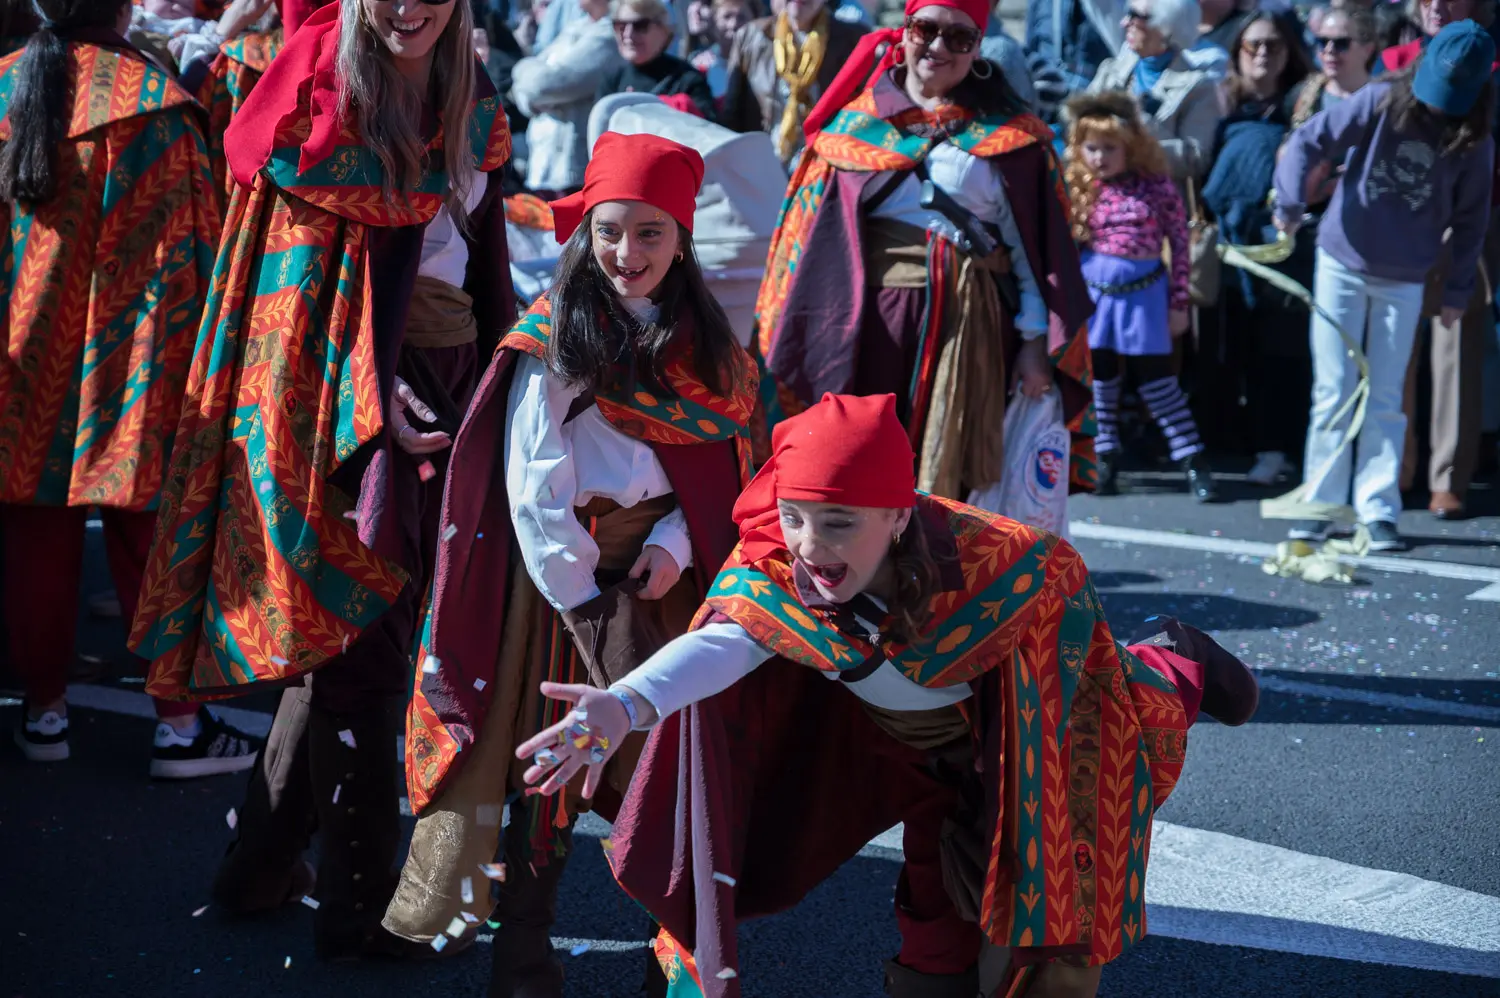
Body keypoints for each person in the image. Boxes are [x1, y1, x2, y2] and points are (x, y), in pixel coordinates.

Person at [514, 392, 1261, 998]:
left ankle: (1177, 659)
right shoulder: (776, 564)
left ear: (899, 516)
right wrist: (626, 703)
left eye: (839, 523)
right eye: (797, 517)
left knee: (1061, 885)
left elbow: (1077, 697)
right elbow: (726, 645)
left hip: (1021, 737)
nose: (810, 545)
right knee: (937, 916)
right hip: (905, 753)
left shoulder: (1013, 566)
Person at [128, 0, 515, 957]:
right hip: (343, 417)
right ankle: (360, 908)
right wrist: (379, 411)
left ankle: (259, 868)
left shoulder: (475, 107)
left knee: (352, 647)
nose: (408, 7)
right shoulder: (316, 111)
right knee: (366, 648)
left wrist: (501, 388)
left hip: (447, 390)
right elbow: (293, 304)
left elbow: (484, 271)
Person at [388, 133, 755, 997]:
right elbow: (531, 474)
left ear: (683, 239)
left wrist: (674, 548)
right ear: (585, 231)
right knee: (544, 759)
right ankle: (523, 949)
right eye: (611, 231)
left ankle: (682, 955)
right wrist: (578, 588)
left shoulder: (707, 344)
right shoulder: (555, 332)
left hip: (655, 575)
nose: (628, 255)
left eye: (652, 235)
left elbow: (711, 470)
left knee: (667, 763)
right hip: (558, 578)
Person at [0, 0, 256, 777]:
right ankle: (179, 726)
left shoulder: (6, 87)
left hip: (21, 354)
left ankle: (44, 715)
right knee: (147, 534)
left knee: (34, 531)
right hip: (130, 358)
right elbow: (193, 259)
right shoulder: (153, 102)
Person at [754, 0, 1098, 506]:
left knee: (955, 470)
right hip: (868, 323)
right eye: (926, 29)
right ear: (904, 31)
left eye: (959, 38)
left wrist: (1033, 345)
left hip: (974, 325)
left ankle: (935, 575)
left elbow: (1034, 256)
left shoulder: (1012, 137)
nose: (938, 47)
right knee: (862, 461)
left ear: (978, 49)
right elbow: (806, 240)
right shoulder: (854, 127)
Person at [1274, 21, 1495, 551]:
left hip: (1406, 278)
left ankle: (1377, 508)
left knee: (1387, 396)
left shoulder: (1474, 140)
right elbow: (1309, 140)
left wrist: (1458, 294)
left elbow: (1471, 223)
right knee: (1333, 391)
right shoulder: (1378, 100)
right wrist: (1288, 202)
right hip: (1342, 261)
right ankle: (1322, 503)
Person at [1065, 93, 1216, 501]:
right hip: (1095, 297)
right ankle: (1105, 458)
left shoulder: (1157, 187)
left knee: (1158, 383)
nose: (1099, 157)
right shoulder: (1080, 187)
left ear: (1131, 146)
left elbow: (1180, 245)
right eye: (1091, 147)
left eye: (1109, 148)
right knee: (1102, 382)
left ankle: (1192, 460)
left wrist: (1179, 302)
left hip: (1146, 297)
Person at [1383, 0, 1499, 521]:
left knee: (1456, 347)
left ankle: (1447, 479)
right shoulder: (1395, 61)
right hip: (1401, 216)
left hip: (1475, 216)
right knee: (1393, 346)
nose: (1435, 4)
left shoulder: (1491, 66)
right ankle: (1392, 471)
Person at [1195, 9, 1313, 477]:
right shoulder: (1219, 103)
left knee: (1278, 351)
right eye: (1253, 45)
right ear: (1237, 53)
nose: (1263, 54)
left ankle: (1277, 446)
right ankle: (1227, 440)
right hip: (1226, 244)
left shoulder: (1302, 104)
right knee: (1225, 346)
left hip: (1281, 245)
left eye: (1274, 45)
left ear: (1289, 53)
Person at [720, 0, 867, 168]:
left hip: (825, 169)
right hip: (763, 168)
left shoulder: (853, 40)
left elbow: (863, 116)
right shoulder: (751, 37)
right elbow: (732, 114)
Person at [1087, 0, 1221, 182]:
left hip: (1157, 200)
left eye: (1136, 17)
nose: (1125, 23)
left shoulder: (1199, 87)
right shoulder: (1111, 72)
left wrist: (1134, 149)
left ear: (1167, 27)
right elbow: (1080, 127)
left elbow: (1195, 159)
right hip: (1099, 192)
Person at [511, 0, 617, 194]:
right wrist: (529, 96)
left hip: (572, 166)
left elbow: (546, 84)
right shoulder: (576, 27)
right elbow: (524, 75)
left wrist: (529, 81)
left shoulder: (610, 34)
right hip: (543, 162)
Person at [597, 0, 716, 119]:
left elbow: (708, 129)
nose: (628, 34)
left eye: (640, 25)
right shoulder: (612, 79)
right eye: (620, 26)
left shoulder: (688, 80)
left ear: (663, 31)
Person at [689, 0, 753, 98]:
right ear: (714, 22)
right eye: (727, 17)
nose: (733, 24)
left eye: (741, 17)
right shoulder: (701, 66)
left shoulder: (766, 64)